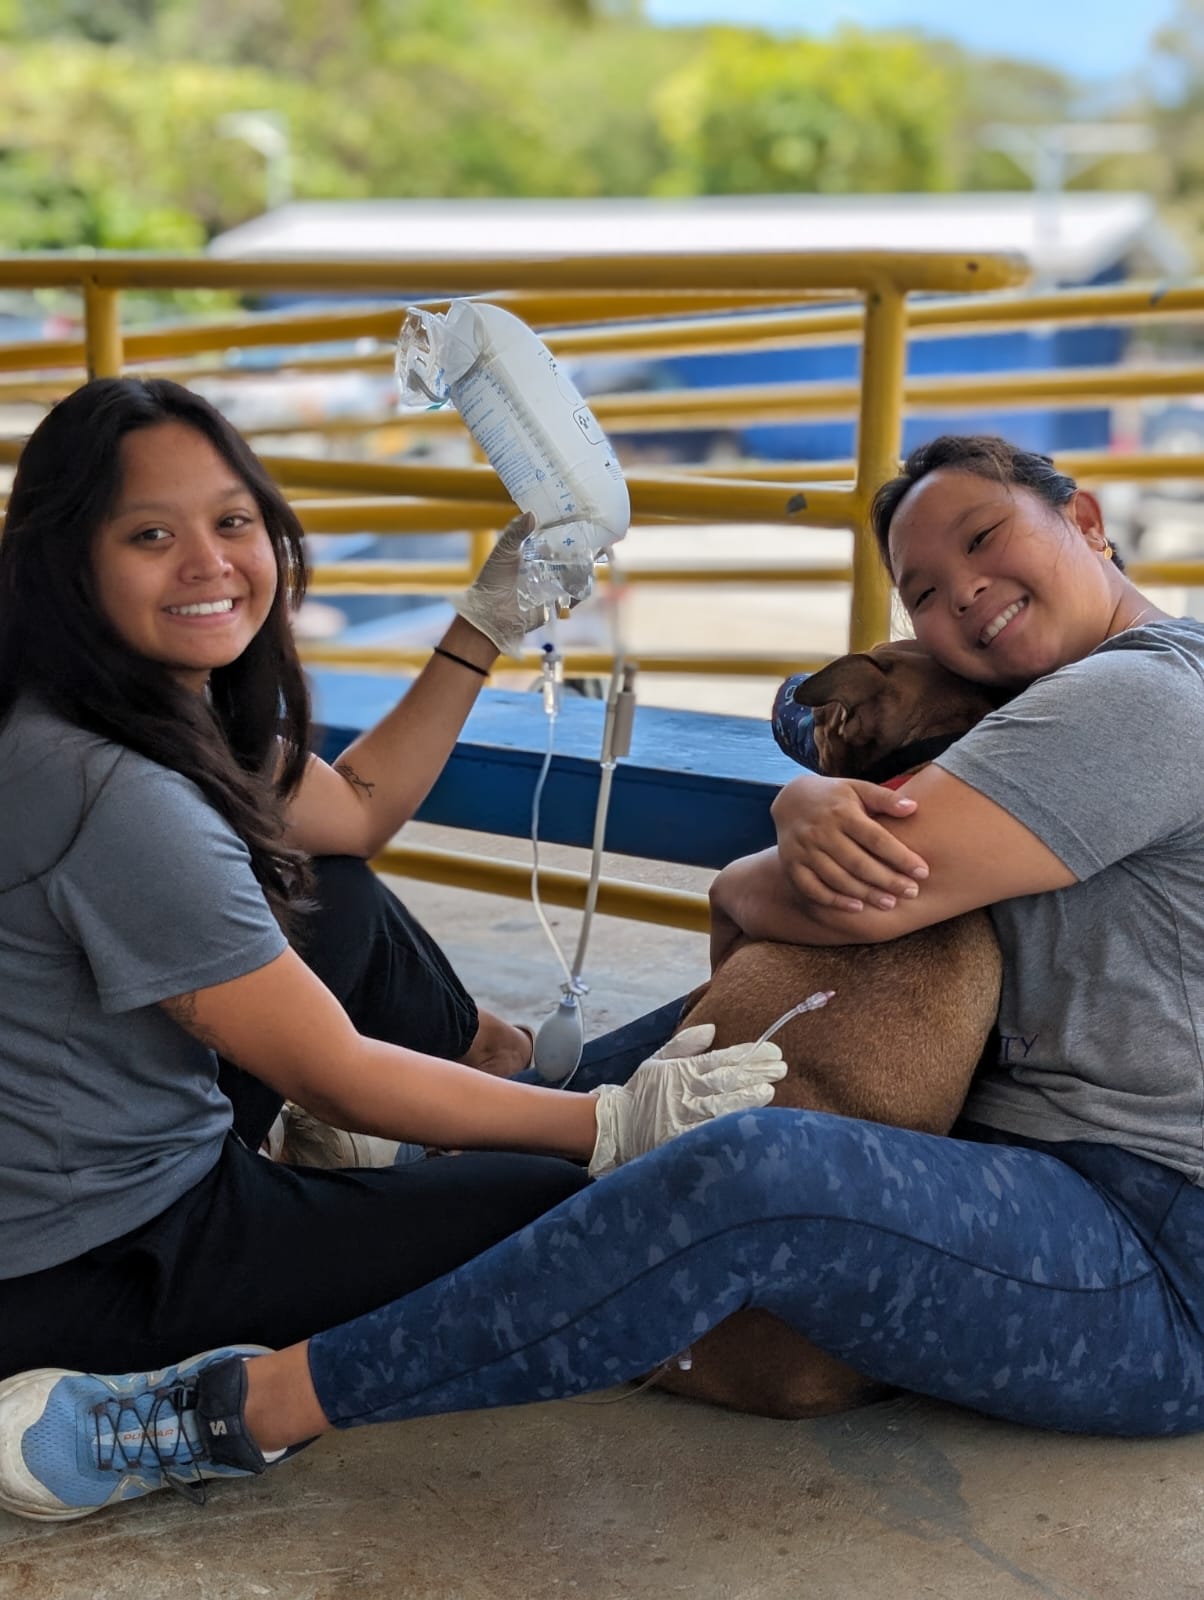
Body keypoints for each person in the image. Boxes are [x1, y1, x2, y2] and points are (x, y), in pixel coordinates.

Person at [7, 426, 1204, 1523]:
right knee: (707, 1070)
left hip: (1156, 1248)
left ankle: (227, 1413)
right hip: (1032, 1170)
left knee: (744, 1166)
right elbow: (816, 726)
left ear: (1086, 519)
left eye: (986, 541)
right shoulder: (1038, 695)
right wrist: (798, 796)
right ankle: (483, 1139)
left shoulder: (1140, 694)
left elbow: (854, 883)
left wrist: (757, 867)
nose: (964, 600)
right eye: (925, 593)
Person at [0, 376, 786, 1522]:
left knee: (334, 895)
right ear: (68, 564)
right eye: (150, 535)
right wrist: (610, 1126)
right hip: (98, 1257)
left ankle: (479, 1095)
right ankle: (200, 1401)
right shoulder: (108, 789)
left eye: (232, 521)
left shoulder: (121, 706)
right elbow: (336, 1068)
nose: (210, 561)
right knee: (572, 1215)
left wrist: (485, 622)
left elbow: (354, 809)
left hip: (85, 1168)